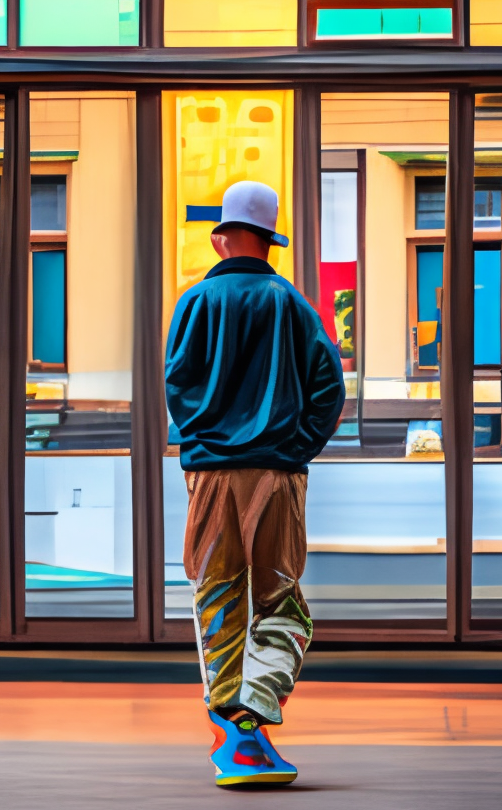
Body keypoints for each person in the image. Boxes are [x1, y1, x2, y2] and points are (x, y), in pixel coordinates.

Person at [164, 180, 346, 787]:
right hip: (277, 474)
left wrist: (205, 444)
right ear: (271, 242)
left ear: (220, 238)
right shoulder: (294, 305)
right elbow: (329, 390)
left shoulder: (194, 302)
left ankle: (229, 729)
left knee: (217, 596)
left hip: (211, 474)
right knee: (280, 600)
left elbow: (177, 384)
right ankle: (257, 711)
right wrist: (296, 448)